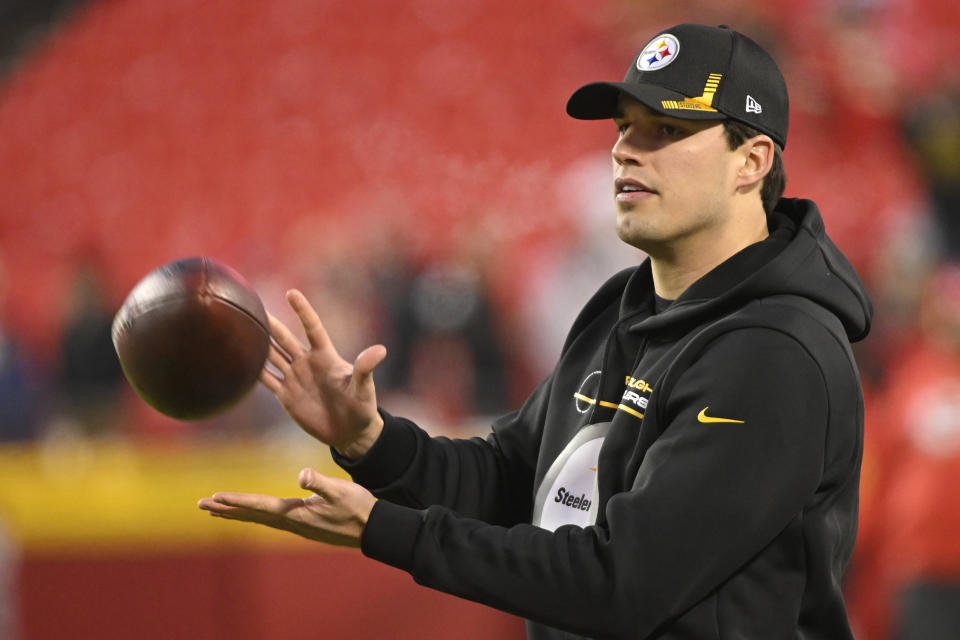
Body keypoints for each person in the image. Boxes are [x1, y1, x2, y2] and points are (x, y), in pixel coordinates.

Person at [199, 23, 872, 639]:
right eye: (623, 125)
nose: (623, 150)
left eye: (664, 130)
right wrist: (368, 440)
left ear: (750, 161)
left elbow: (625, 582)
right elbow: (511, 482)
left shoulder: (775, 354)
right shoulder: (622, 309)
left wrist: (386, 530)